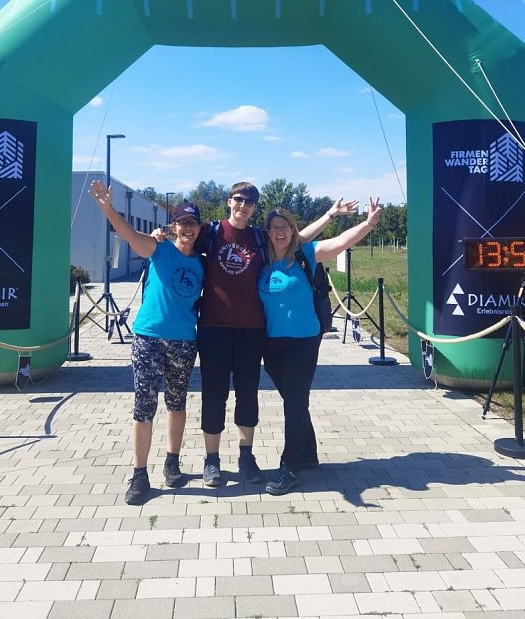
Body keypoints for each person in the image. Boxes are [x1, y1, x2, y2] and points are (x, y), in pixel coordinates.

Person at [193, 182, 358, 488]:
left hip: (253, 332)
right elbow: (182, 238)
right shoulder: (211, 231)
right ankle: (212, 460)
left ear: (255, 207)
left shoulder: (258, 236)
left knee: (252, 396)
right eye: (239, 199)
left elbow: (298, 237)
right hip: (215, 328)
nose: (244, 205)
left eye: (250, 201)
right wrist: (158, 237)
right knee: (215, 394)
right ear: (229, 202)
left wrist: (330, 215)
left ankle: (250, 456)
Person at [89, 180, 204, 504]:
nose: (187, 228)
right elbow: (128, 234)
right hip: (149, 339)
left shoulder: (202, 263)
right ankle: (139, 474)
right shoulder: (157, 249)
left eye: (192, 224)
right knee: (144, 406)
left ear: (198, 229)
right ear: (173, 226)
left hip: (183, 342)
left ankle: (172, 462)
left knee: (177, 403)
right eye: (182, 223)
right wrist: (108, 208)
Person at [258, 198, 382, 495]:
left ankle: (289, 465)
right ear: (266, 232)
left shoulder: (307, 255)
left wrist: (368, 224)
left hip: (304, 341)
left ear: (292, 230)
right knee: (293, 398)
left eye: (285, 227)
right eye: (274, 227)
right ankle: (309, 454)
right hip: (271, 344)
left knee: (295, 401)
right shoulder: (261, 260)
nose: (279, 232)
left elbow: (339, 242)